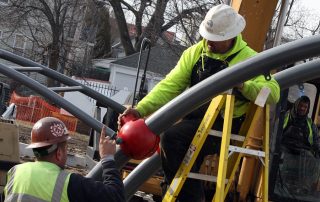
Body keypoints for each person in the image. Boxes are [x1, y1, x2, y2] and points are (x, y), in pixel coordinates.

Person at [118, 4, 280, 201]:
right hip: (196, 121)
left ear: (230, 36)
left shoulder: (250, 60)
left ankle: (189, 198)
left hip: (225, 126)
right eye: (207, 36)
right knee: (176, 145)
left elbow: (272, 94)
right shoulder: (195, 53)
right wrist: (141, 109)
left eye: (215, 39)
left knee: (171, 138)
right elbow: (170, 86)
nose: (209, 42)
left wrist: (244, 86)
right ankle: (177, 191)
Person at [4, 117, 125, 202]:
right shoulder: (70, 183)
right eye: (66, 148)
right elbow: (116, 197)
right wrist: (108, 158)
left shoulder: (15, 172)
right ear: (59, 153)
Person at [277, 96, 320, 196]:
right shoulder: (285, 117)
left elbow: (316, 141)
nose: (302, 108)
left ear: (308, 109)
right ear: (296, 105)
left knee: (311, 160)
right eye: (301, 105)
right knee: (283, 156)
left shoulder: (310, 124)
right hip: (285, 148)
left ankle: (304, 188)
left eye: (305, 107)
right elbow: (275, 134)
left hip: (302, 151)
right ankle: (279, 185)